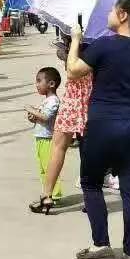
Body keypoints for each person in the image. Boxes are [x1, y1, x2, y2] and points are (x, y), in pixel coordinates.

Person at [67, 0, 130, 259]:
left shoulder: (104, 45)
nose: (109, 15)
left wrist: (75, 39)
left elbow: (72, 71)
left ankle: (101, 244)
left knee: (91, 183)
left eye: (113, 10)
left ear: (124, 15)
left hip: (102, 126)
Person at [30, 35, 92, 215]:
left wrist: (73, 42)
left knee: (59, 147)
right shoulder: (99, 42)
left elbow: (72, 70)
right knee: (86, 151)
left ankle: (47, 195)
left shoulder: (81, 42)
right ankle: (91, 197)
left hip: (75, 99)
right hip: (90, 99)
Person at [27, 66, 63, 203]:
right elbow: (41, 117)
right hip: (41, 137)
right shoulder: (47, 100)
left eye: (39, 81)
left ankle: (54, 194)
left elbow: (46, 117)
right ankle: (46, 192)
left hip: (48, 138)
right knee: (43, 168)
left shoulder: (53, 100)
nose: (37, 84)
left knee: (49, 167)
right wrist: (33, 117)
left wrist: (31, 110)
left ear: (51, 84)